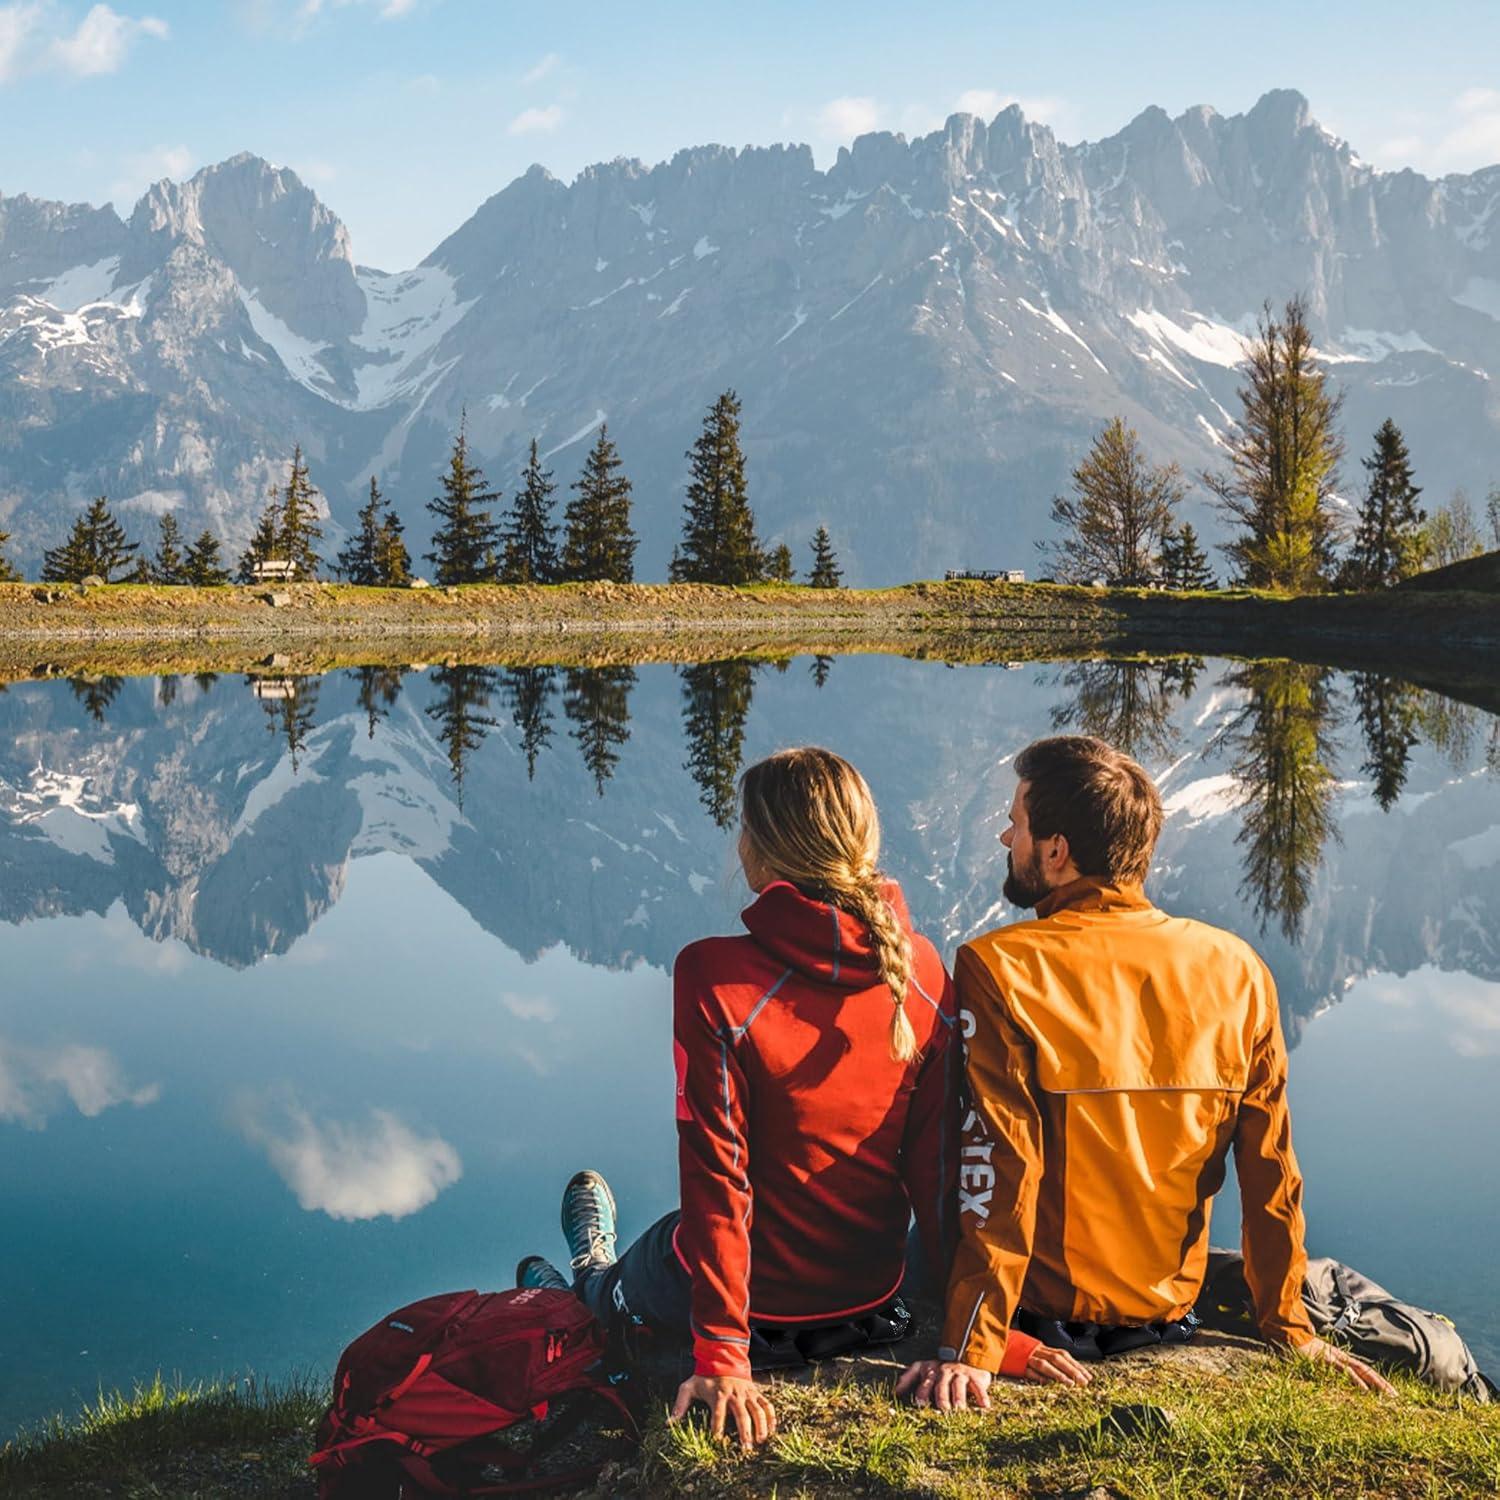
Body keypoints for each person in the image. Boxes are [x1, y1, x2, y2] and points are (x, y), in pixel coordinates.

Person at [898, 734, 1394, 1413]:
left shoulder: (1003, 967)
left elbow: (997, 1169)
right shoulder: (1237, 969)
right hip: (1168, 1317)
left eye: (1017, 820)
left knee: (913, 1236)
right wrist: (1288, 1327)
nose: (1004, 833)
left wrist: (975, 1345)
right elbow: (1271, 1171)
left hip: (1046, 1319)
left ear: (1056, 851)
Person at [515, 747, 957, 1449]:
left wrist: (722, 1350)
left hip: (754, 1307)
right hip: (871, 1291)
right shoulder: (926, 968)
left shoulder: (714, 976)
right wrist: (968, 1334)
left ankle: (582, 1279)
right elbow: (935, 1171)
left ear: (759, 850)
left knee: (638, 1273)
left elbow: (720, 1179)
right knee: (683, 1232)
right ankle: (586, 1272)